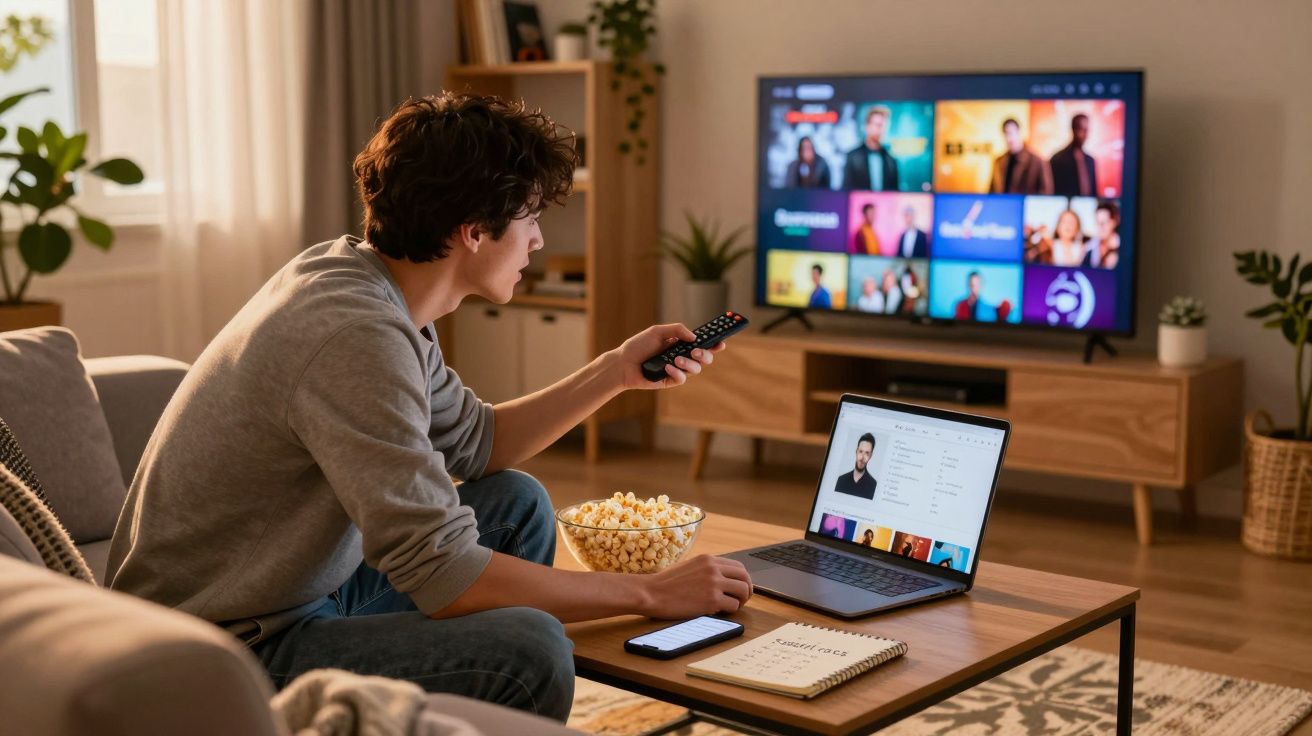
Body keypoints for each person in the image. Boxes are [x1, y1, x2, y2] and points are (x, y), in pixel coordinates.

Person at [104, 93, 752, 723]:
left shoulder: (371, 287)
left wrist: (615, 372)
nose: (537, 242)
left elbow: (478, 441)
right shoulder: (355, 336)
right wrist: (648, 593)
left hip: (293, 592)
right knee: (531, 652)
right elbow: (445, 575)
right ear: (472, 231)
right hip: (223, 650)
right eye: (529, 218)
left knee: (517, 503)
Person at [989, 118, 1052, 195]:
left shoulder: (1037, 162)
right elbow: (992, 191)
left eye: (1012, 133)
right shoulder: (999, 162)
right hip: (1003, 205)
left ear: (1019, 132)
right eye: (1006, 134)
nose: (1009, 138)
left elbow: (1045, 192)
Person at [842, 106, 899, 191]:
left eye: (884, 126)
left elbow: (894, 191)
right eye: (877, 125)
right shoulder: (852, 157)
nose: (881, 130)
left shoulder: (891, 160)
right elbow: (846, 191)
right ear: (867, 126)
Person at [1049, 114, 1098, 197]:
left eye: (1086, 130)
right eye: (1081, 129)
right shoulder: (1057, 159)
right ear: (1073, 130)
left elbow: (1094, 192)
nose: (1085, 134)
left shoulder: (1090, 161)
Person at [833, 433, 878, 500]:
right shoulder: (841, 480)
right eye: (860, 451)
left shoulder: (873, 485)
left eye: (867, 453)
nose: (862, 457)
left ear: (870, 456)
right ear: (856, 451)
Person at [1083, 201, 1121, 269]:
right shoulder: (1088, 248)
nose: (1100, 227)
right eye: (1097, 223)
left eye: (1103, 223)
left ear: (1114, 222)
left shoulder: (1123, 248)